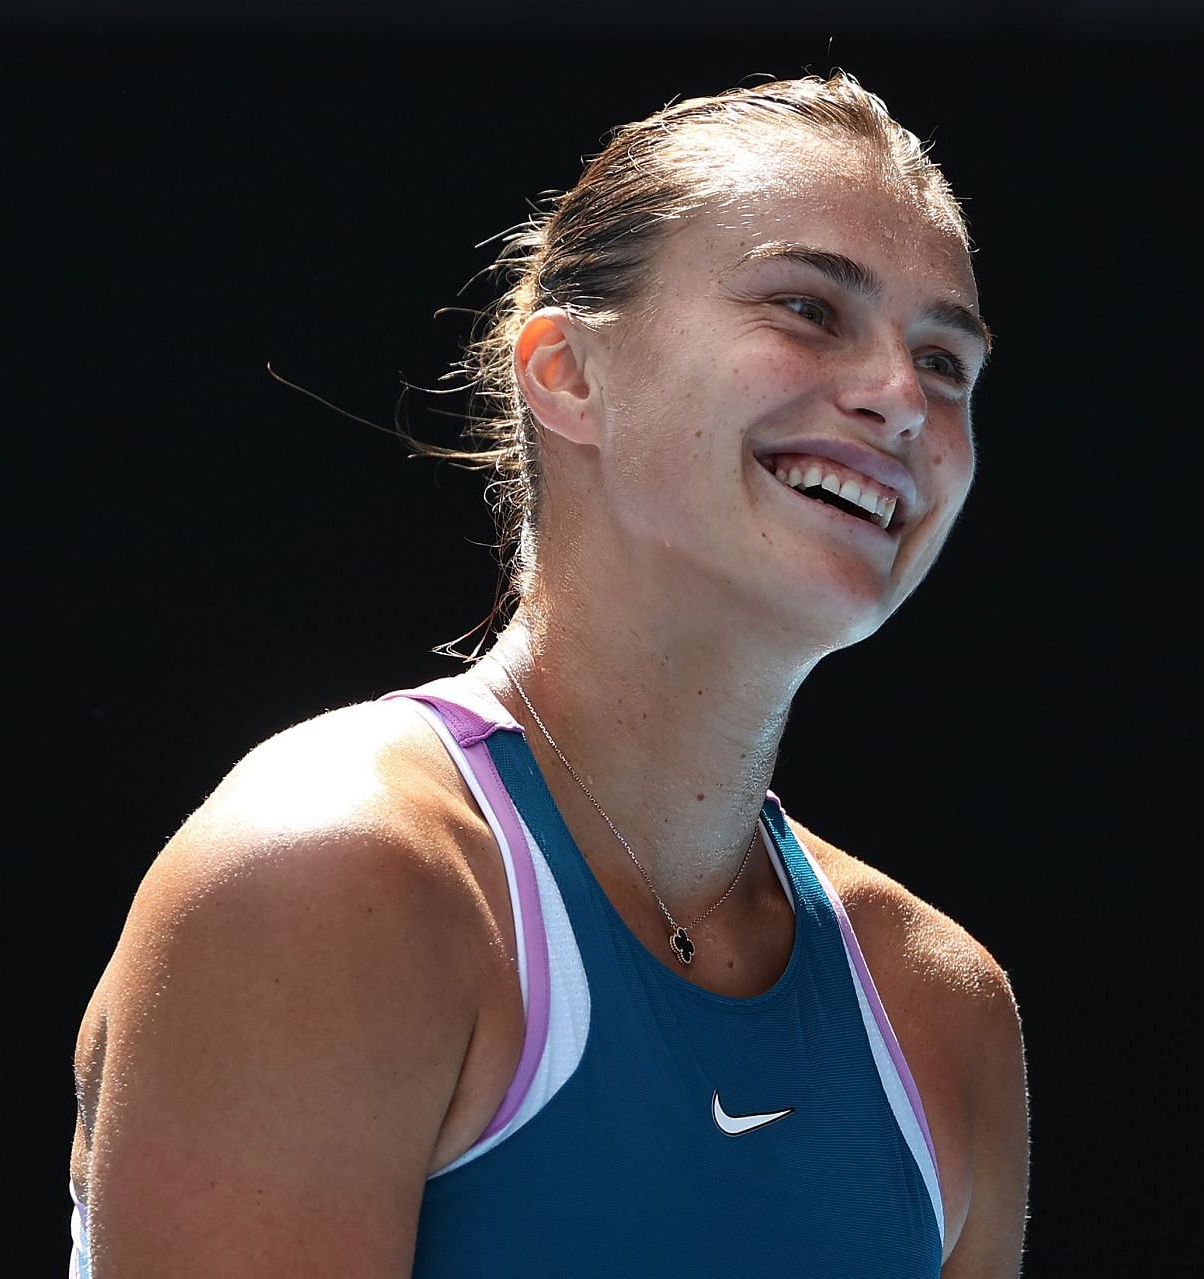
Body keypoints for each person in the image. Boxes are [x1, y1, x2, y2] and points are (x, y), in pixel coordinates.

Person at [68, 72, 1028, 1277]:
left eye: (947, 363)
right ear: (567, 374)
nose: (901, 398)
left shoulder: (943, 1010)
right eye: (807, 307)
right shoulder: (332, 881)